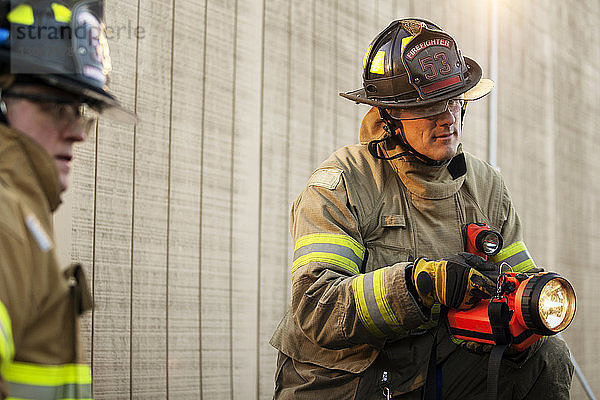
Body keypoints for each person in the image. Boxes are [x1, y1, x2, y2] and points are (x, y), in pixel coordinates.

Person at [270, 19, 573, 399]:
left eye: (453, 99)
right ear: (389, 116)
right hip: (348, 379)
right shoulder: (343, 182)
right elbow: (319, 308)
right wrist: (419, 285)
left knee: (546, 357)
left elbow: (520, 278)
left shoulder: (484, 185)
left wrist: (527, 305)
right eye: (428, 105)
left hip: (434, 367)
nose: (446, 117)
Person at [0, 1, 132, 398]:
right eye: (55, 105)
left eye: (78, 111)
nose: (77, 132)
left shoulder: (23, 218)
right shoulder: (6, 223)